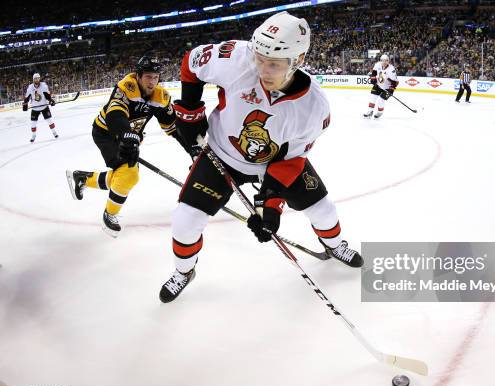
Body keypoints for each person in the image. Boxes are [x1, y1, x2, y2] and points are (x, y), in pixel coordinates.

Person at [159, 11, 364, 303]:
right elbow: (192, 61)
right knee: (184, 220)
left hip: (274, 162)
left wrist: (271, 207)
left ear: (299, 60)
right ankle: (183, 271)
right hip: (222, 153)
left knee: (323, 208)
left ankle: (334, 244)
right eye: (259, 59)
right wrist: (190, 111)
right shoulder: (236, 58)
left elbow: (291, 160)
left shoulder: (314, 107)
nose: (262, 70)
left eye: (274, 65)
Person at [65, 56, 196, 237]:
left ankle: (84, 179)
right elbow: (115, 114)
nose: (152, 82)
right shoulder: (126, 87)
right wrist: (126, 134)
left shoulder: (161, 97)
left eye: (156, 77)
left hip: (130, 138)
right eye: (148, 77)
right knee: (129, 175)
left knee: (125, 176)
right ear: (139, 76)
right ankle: (109, 214)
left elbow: (173, 128)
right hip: (107, 133)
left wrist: (192, 149)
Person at [23, 73, 58, 142]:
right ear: (33, 79)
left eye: (38, 78)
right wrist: (25, 104)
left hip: (44, 106)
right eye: (35, 78)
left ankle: (54, 132)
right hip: (35, 108)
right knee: (33, 123)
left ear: (39, 78)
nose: (37, 80)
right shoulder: (30, 87)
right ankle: (33, 135)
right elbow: (27, 97)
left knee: (49, 121)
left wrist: (51, 101)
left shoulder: (44, 85)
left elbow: (47, 95)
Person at [363, 54, 398, 119]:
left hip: (387, 88)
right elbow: (374, 73)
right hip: (378, 85)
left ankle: (380, 112)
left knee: (381, 100)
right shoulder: (377, 65)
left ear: (388, 61)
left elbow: (395, 82)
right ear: (380, 61)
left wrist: (391, 90)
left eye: (386, 61)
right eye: (383, 61)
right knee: (372, 98)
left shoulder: (391, 69)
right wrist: (373, 80)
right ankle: (370, 111)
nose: (384, 62)